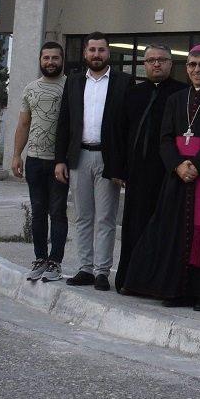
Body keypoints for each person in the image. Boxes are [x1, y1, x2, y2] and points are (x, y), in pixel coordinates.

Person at [120, 46, 200, 309]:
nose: (197, 69)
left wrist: (196, 166)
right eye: (193, 64)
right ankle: (176, 290)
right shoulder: (176, 99)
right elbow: (165, 139)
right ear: (186, 68)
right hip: (177, 175)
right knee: (174, 231)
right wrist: (177, 166)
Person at [55, 32, 131, 290]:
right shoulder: (74, 83)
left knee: (106, 218)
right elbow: (64, 123)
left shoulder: (123, 82)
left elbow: (128, 128)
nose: (96, 54)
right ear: (85, 54)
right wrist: (60, 160)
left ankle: (102, 271)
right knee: (83, 216)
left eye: (101, 50)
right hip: (79, 158)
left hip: (109, 159)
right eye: (92, 50)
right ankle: (85, 268)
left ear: (109, 54)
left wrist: (123, 165)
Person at [115, 45, 184, 292]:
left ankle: (160, 284)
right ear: (144, 64)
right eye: (151, 60)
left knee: (165, 229)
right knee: (135, 227)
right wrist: (118, 169)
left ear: (171, 63)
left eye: (162, 60)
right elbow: (120, 133)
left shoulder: (182, 93)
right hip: (137, 173)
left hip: (169, 173)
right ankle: (130, 281)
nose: (156, 64)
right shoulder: (133, 94)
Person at [8, 42, 69, 283]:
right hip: (34, 161)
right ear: (40, 60)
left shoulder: (72, 87)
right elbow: (24, 124)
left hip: (59, 162)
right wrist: (16, 155)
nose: (50, 62)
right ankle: (40, 259)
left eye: (55, 58)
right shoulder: (30, 89)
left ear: (62, 60)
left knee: (57, 212)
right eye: (46, 58)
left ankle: (55, 262)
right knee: (38, 212)